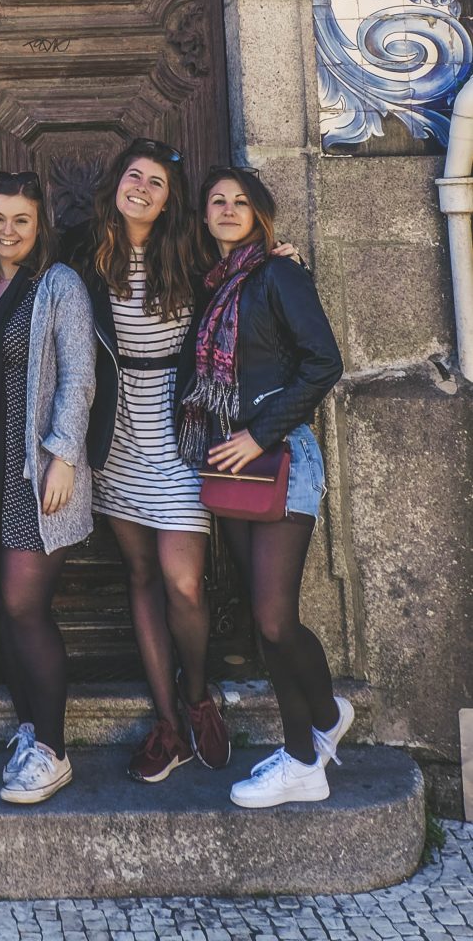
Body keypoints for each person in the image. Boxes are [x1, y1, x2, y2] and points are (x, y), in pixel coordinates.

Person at [180, 165, 350, 809]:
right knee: (265, 619)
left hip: (278, 457)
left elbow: (323, 363)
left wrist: (258, 432)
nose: (228, 209)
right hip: (232, 467)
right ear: (204, 215)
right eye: (217, 200)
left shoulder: (278, 274)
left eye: (240, 201)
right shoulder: (213, 286)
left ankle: (304, 761)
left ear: (259, 214)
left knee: (275, 620)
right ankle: (325, 718)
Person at [74, 137, 231, 783]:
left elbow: (245, 275)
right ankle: (167, 725)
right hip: (116, 429)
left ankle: (197, 696)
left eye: (155, 183)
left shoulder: (191, 252)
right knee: (140, 572)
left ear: (169, 201)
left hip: (178, 426)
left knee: (182, 581)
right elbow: (22, 268)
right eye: (133, 177)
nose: (140, 188)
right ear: (116, 183)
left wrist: (285, 257)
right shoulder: (85, 252)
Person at [0, 170, 96, 805]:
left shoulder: (58, 285)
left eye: (21, 221)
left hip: (36, 474)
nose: (8, 231)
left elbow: (79, 376)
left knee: (23, 604)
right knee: (2, 605)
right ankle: (31, 730)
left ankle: (55, 752)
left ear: (40, 227)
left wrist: (64, 456)